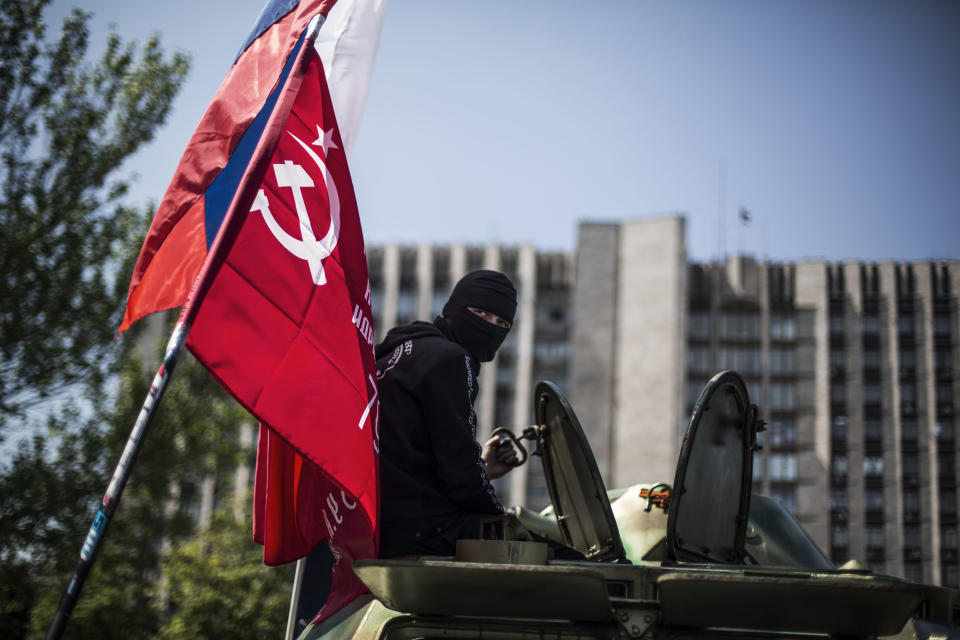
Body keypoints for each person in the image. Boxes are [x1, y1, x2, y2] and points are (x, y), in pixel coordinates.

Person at [375, 270, 520, 558]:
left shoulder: (397, 351)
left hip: (380, 518)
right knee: (562, 560)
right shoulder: (452, 360)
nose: (490, 327)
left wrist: (483, 469)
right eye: (481, 313)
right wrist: (500, 518)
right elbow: (461, 477)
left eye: (501, 322)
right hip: (419, 528)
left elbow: (408, 451)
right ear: (453, 308)